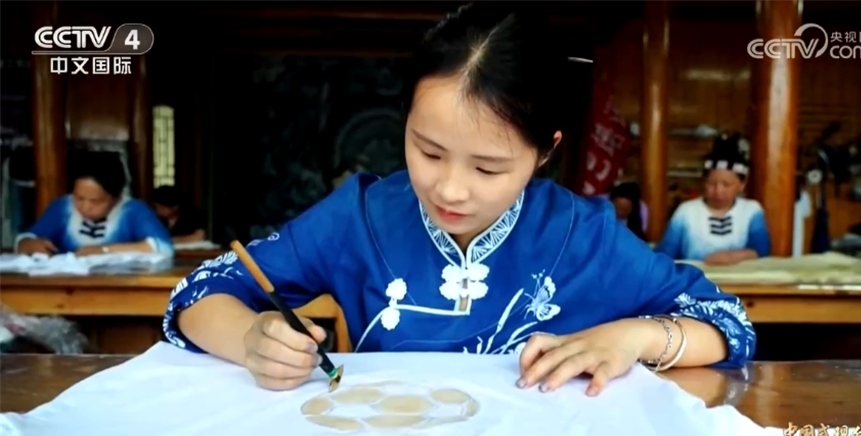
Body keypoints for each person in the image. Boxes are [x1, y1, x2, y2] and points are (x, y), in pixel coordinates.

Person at [163, 4, 755, 397]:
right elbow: (198, 295)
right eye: (428, 150)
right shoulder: (359, 217)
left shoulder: (582, 234)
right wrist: (251, 340)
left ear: (545, 152)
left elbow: (727, 324)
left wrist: (632, 337)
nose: (449, 188)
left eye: (487, 167)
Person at [14, 152, 174, 257]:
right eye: (79, 198)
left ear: (116, 197)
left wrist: (104, 251)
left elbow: (163, 247)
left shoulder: (132, 210)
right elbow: (27, 237)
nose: (85, 207)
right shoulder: (63, 207)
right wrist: (27, 243)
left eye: (95, 201)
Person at [655, 135, 770, 265]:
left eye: (726, 185)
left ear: (742, 185)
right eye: (711, 183)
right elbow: (665, 253)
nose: (718, 191)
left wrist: (730, 257)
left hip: (740, 277)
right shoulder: (686, 211)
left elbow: (762, 250)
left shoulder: (751, 210)